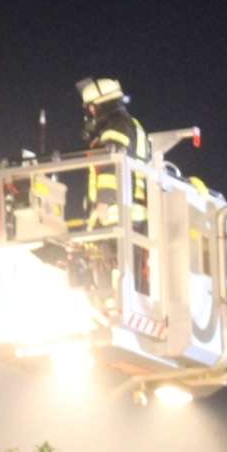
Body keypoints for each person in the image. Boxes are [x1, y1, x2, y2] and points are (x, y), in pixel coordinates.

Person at [76, 76, 152, 295]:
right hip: (132, 213)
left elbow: (112, 165)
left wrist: (101, 205)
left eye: (90, 109)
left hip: (116, 213)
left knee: (112, 281)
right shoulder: (132, 124)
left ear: (96, 107)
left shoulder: (115, 126)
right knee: (130, 282)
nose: (89, 114)